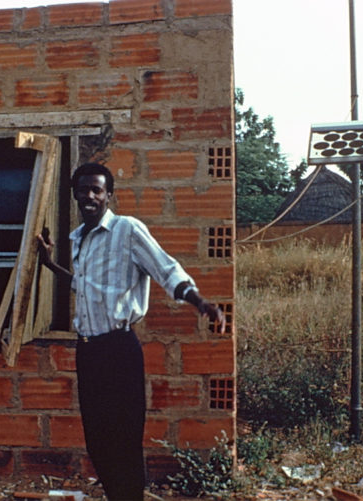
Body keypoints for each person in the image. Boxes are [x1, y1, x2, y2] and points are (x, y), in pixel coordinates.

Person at [37, 162, 224, 501]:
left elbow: (166, 270)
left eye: (97, 189)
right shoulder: (79, 239)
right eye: (84, 190)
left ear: (109, 194)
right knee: (97, 438)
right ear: (76, 195)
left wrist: (200, 302)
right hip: (89, 351)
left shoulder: (127, 231)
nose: (90, 195)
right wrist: (51, 265)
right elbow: (85, 287)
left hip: (119, 350)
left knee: (123, 437)